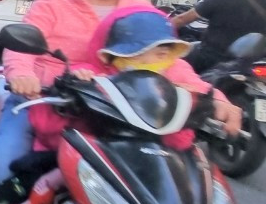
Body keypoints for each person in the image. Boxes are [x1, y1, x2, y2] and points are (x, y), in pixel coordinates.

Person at [0, 0, 241, 204]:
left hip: (125, 113)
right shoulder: (52, 5)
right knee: (5, 162)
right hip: (46, 100)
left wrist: (217, 100)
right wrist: (23, 75)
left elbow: (170, 63)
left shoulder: (146, 13)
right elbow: (21, 49)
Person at [28, 8, 201, 156]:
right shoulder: (88, 76)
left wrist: (185, 112)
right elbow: (45, 127)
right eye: (141, 53)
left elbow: (180, 144)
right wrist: (76, 91)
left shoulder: (169, 88)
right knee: (46, 178)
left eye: (164, 53)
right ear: (116, 56)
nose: (158, 59)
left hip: (139, 166)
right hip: (87, 157)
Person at [171, 0, 266, 73]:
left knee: (174, 66)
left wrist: (159, 29)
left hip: (211, 60)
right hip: (250, 64)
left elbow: (181, 20)